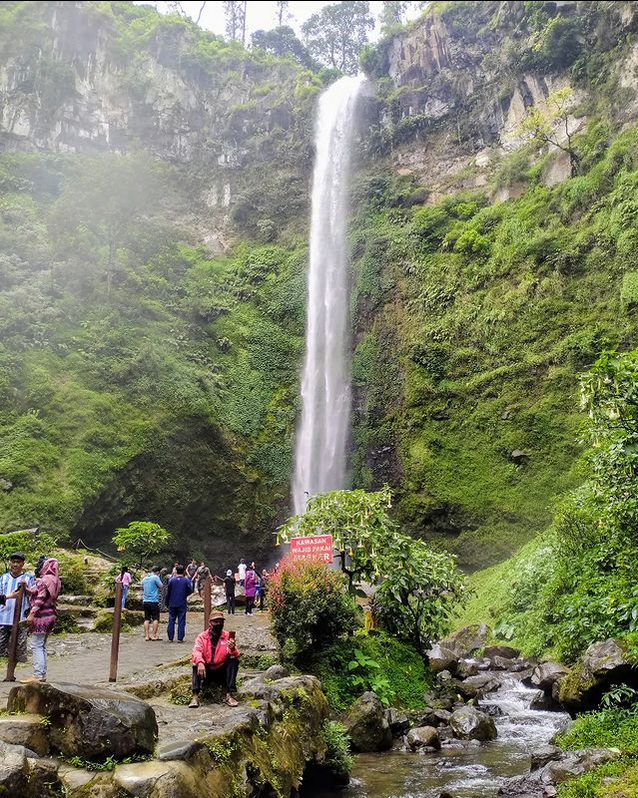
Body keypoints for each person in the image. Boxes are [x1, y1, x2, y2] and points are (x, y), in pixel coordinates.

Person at [189, 611, 239, 708]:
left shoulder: (227, 636)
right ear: (210, 623)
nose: (218, 624)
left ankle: (229, 694)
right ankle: (195, 696)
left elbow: (235, 654)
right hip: (206, 670)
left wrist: (232, 648)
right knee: (196, 663)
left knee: (233, 660)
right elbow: (196, 651)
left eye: (221, 621)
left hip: (221, 669)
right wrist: (200, 662)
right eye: (215, 622)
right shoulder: (202, 637)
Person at [23, 556, 60, 683]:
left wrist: (31, 614)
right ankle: (42, 674)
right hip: (51, 614)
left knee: (36, 645)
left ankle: (38, 675)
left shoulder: (44, 580)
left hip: (41, 616)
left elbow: (40, 598)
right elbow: (38, 592)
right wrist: (27, 590)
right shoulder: (55, 580)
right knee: (42, 645)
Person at [0, 552, 35, 665]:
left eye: (18, 562)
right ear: (10, 563)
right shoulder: (3, 578)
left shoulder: (29, 578)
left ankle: (12, 674)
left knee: (19, 649)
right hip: (3, 618)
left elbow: (35, 595)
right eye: (13, 562)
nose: (15, 564)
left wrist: (25, 588)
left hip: (21, 619)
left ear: (22, 564)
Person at [165, 564, 193, 643]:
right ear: (184, 571)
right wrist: (184, 594)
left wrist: (166, 602)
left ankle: (170, 637)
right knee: (181, 620)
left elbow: (168, 593)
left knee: (171, 619)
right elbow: (190, 590)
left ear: (176, 571)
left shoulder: (171, 580)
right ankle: (180, 638)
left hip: (172, 603)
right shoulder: (186, 580)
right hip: (182, 603)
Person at [142, 566, 163, 641]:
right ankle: (154, 635)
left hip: (145, 601)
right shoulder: (155, 577)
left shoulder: (145, 578)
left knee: (146, 619)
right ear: (157, 572)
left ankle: (147, 636)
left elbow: (143, 587)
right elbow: (161, 586)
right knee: (155, 618)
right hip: (153, 601)